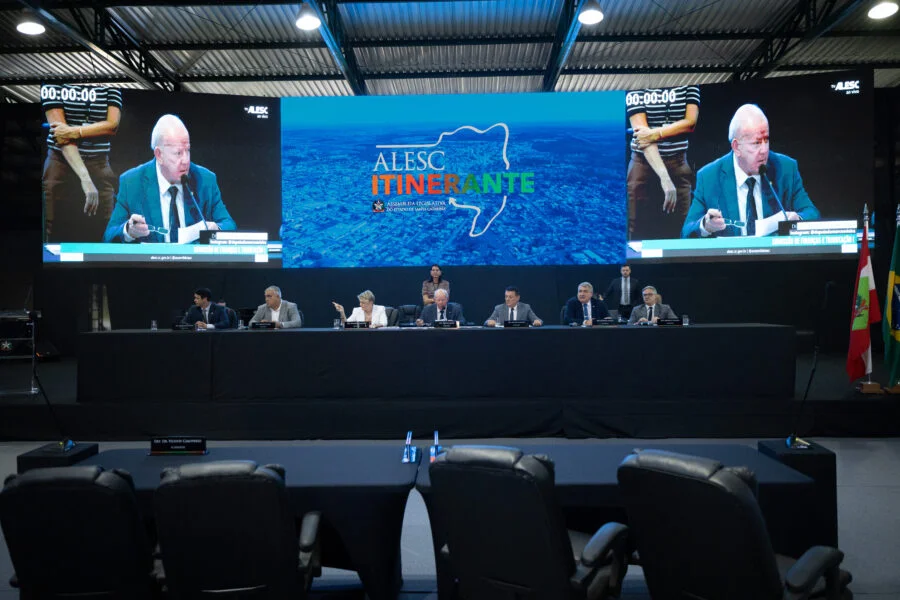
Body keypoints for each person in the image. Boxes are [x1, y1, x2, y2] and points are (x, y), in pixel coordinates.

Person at [681, 104, 820, 238]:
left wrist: (798, 219)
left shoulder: (786, 169)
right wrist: (706, 226)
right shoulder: (709, 177)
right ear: (736, 147)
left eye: (766, 140)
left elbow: (812, 213)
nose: (764, 150)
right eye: (757, 143)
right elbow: (686, 233)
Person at [103, 114, 236, 243]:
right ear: (159, 155)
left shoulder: (205, 180)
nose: (185, 160)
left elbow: (229, 225)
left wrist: (216, 229)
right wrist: (128, 231)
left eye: (188, 150)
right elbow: (108, 237)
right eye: (178, 153)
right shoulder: (132, 183)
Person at [41, 83, 122, 242]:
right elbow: (60, 134)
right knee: (48, 225)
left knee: (109, 225)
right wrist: (85, 178)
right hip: (60, 163)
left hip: (99, 163)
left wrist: (74, 131)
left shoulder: (111, 83)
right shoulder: (53, 82)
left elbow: (112, 126)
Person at [626, 85, 700, 240]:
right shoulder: (637, 81)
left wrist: (655, 133)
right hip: (643, 165)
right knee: (637, 232)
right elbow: (642, 135)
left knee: (682, 229)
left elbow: (690, 123)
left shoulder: (689, 80)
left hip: (678, 165)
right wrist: (665, 178)